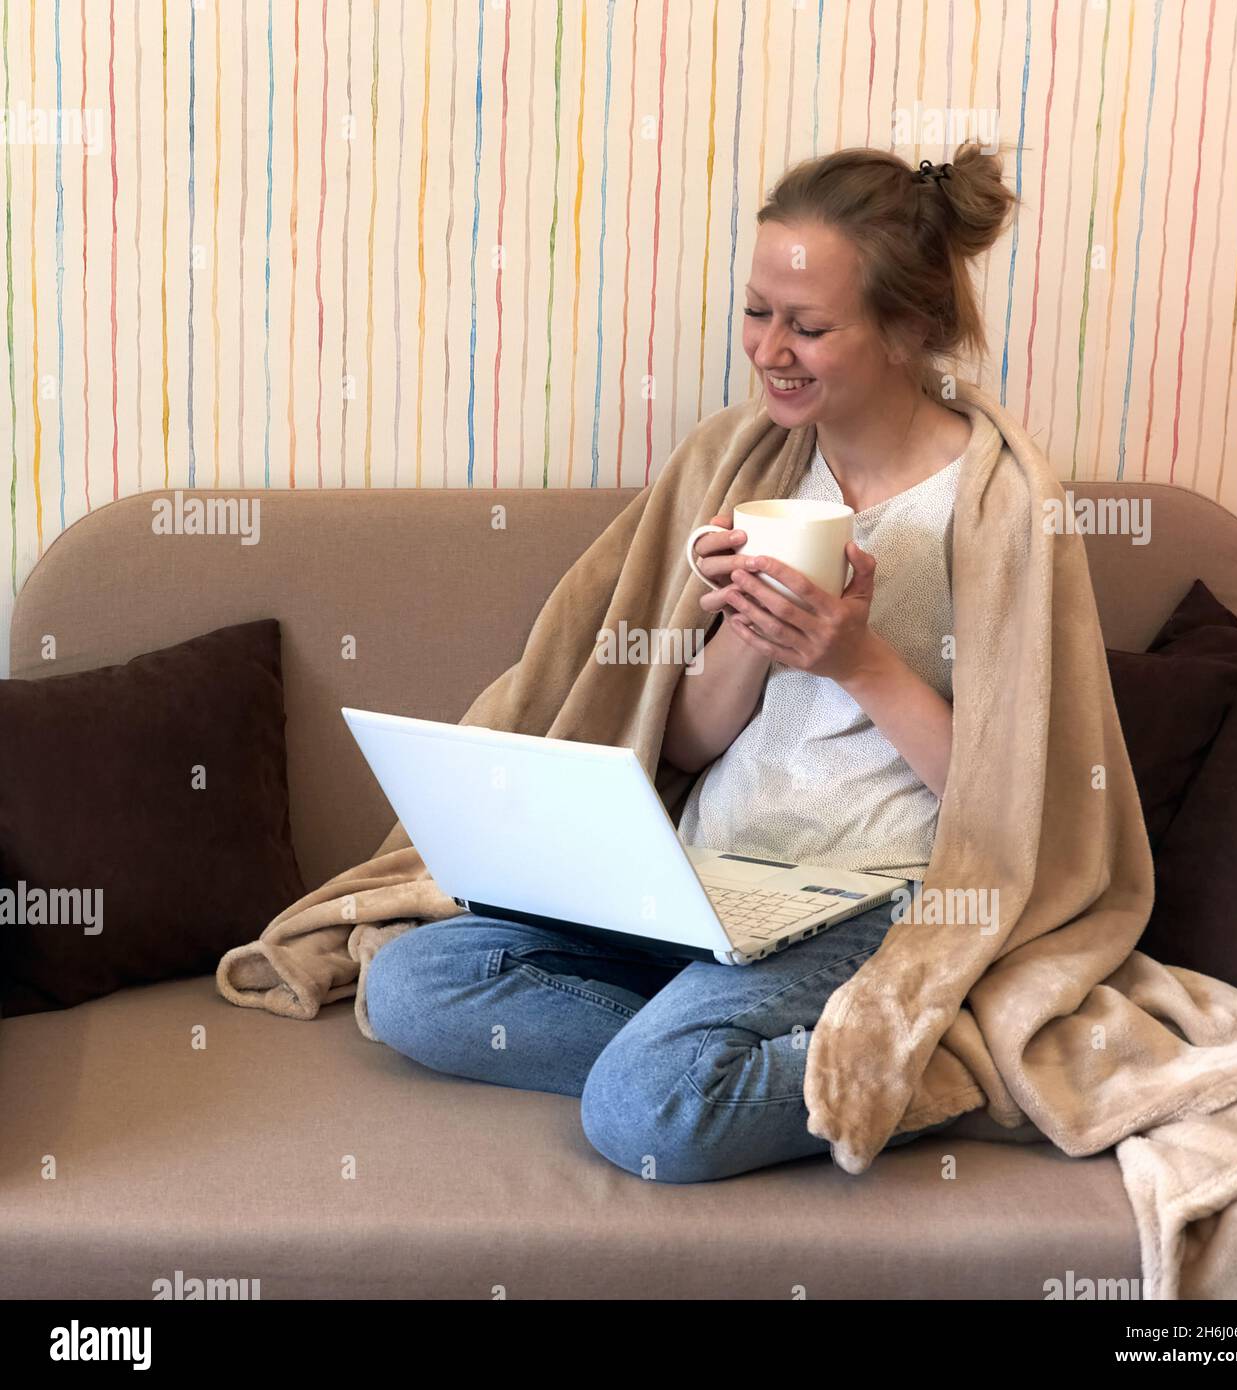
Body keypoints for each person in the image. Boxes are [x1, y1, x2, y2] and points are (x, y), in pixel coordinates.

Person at [365, 142, 1020, 1184]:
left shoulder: (994, 506)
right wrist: (743, 637)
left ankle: (917, 1073)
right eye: (758, 310)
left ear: (909, 329)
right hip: (705, 874)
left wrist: (856, 661)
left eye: (808, 326)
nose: (770, 349)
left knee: (649, 1116)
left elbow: (1012, 809)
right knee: (408, 984)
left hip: (867, 895)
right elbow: (681, 741)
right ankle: (706, 1048)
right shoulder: (740, 457)